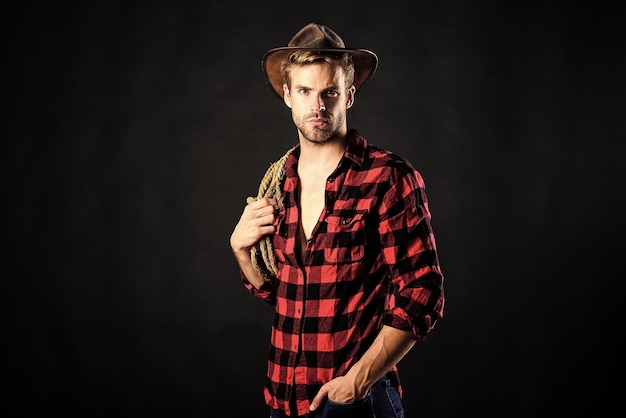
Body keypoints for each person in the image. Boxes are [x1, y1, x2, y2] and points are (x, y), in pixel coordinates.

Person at [230, 22, 445, 418]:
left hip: (353, 402)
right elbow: (290, 298)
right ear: (287, 96)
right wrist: (243, 254)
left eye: (329, 92)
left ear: (348, 96)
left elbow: (422, 292)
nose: (317, 105)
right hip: (283, 397)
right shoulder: (280, 182)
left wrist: (358, 381)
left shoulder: (387, 176)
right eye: (305, 91)